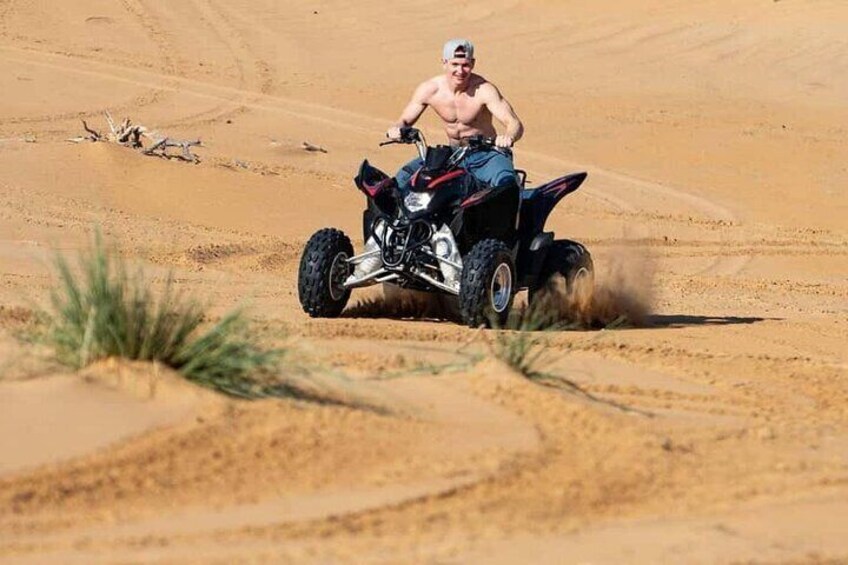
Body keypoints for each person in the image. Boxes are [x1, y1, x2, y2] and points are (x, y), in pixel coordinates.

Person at [388, 38, 524, 191]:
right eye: (455, 64)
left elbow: (514, 123)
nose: (460, 71)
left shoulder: (484, 90)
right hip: (452, 155)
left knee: (506, 184)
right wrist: (396, 129)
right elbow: (405, 120)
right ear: (444, 63)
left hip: (486, 154)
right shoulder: (430, 90)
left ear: (473, 64)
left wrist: (509, 137)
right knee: (402, 179)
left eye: (465, 65)